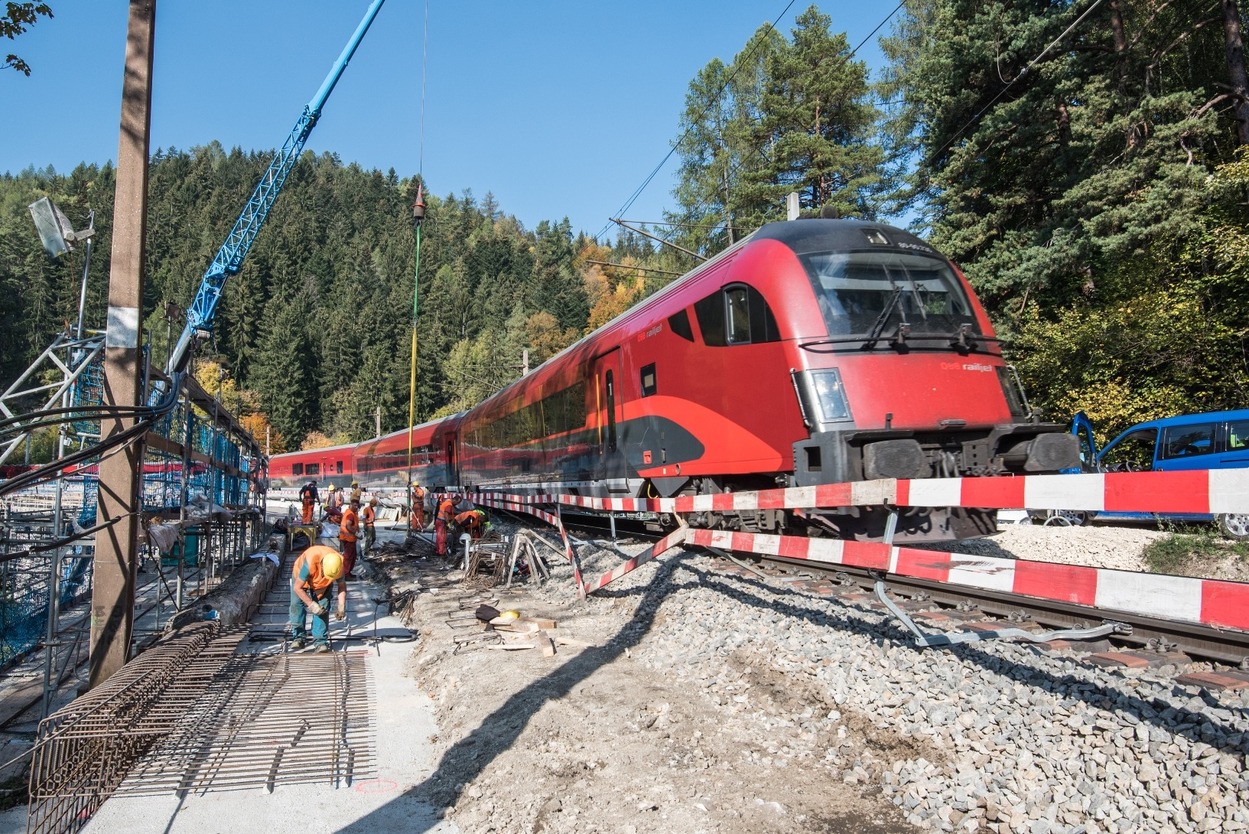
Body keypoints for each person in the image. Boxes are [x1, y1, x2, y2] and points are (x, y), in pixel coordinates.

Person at [288, 545, 347, 652]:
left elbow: (342, 586)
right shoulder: (309, 562)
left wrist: (341, 606)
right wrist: (311, 605)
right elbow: (297, 588)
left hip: (322, 583)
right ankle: (298, 637)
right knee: (296, 604)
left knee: (323, 607)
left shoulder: (338, 565)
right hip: (300, 576)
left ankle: (320, 642)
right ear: (322, 566)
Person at [339, 497, 361, 578]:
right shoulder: (350, 514)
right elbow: (348, 526)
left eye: (357, 506)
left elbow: (354, 525)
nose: (356, 507)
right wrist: (356, 533)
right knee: (348, 557)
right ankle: (346, 574)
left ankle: (348, 572)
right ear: (350, 505)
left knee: (353, 556)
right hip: (348, 539)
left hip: (349, 538)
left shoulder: (350, 513)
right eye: (354, 505)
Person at [435, 492, 457, 557]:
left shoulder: (447, 501)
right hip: (442, 522)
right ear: (455, 500)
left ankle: (438, 551)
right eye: (457, 503)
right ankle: (441, 553)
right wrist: (449, 524)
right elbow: (446, 514)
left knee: (439, 537)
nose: (456, 505)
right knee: (442, 538)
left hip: (439, 521)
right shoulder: (449, 505)